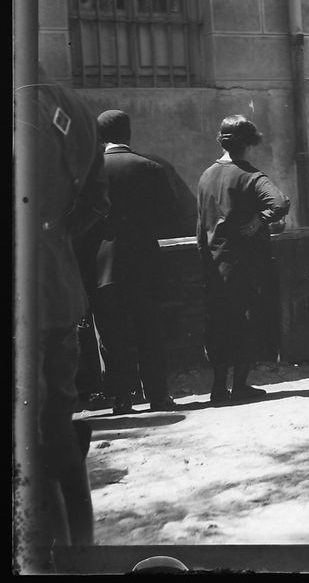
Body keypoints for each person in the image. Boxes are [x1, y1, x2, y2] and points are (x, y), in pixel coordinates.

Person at [30, 79, 109, 560]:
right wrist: (52, 241)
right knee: (56, 423)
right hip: (56, 290)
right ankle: (80, 554)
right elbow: (94, 204)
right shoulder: (71, 104)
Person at [86, 110, 181, 414]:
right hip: (143, 261)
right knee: (149, 330)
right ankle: (157, 396)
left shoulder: (90, 171)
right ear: (129, 133)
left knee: (112, 335)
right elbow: (171, 219)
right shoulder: (150, 167)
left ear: (100, 137)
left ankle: (121, 399)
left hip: (102, 265)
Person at [197, 116, 289, 403]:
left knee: (218, 325)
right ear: (249, 144)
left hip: (212, 263)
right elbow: (279, 202)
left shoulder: (206, 175)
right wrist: (259, 221)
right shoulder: (251, 176)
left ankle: (218, 386)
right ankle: (240, 385)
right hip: (244, 265)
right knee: (243, 324)